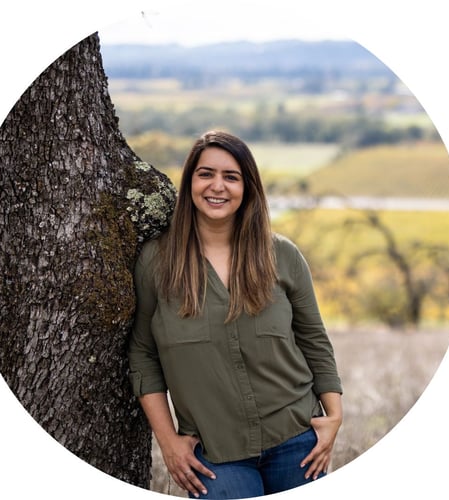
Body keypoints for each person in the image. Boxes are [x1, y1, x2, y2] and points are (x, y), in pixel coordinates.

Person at [128, 130, 343, 499]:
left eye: (231, 176)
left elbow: (314, 339)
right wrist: (168, 442)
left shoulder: (283, 256)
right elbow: (143, 354)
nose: (218, 186)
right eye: (206, 173)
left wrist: (334, 416)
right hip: (215, 454)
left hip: (297, 444)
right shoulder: (156, 263)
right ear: (190, 182)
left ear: (248, 188)